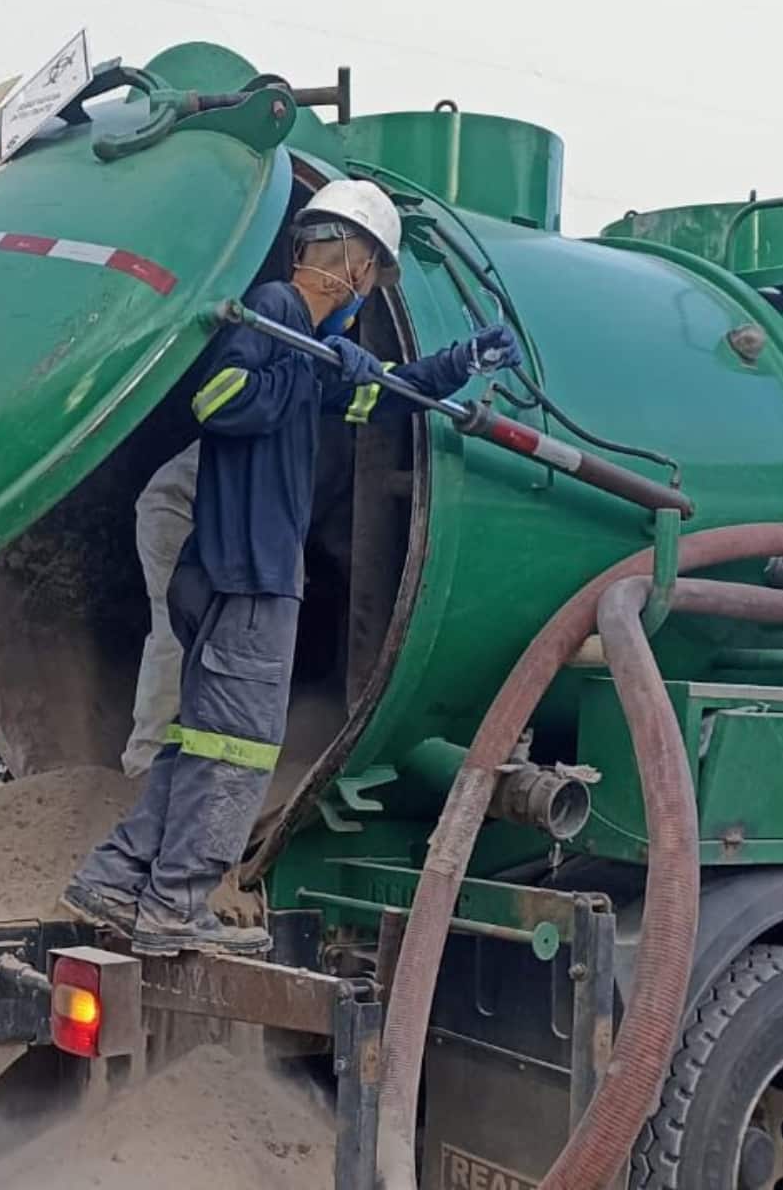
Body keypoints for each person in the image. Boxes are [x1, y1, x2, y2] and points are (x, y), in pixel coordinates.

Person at [64, 179, 521, 956]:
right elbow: (219, 399)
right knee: (239, 746)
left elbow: (382, 397)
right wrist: (301, 369)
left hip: (233, 572)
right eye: (372, 277)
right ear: (352, 263)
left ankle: (114, 877)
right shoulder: (276, 313)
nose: (368, 294)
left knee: (203, 740)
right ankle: (177, 903)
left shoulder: (309, 347)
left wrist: (457, 363)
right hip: (247, 576)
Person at [121, 441, 200, 780]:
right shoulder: (315, 444)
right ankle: (145, 759)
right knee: (175, 631)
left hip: (182, 508)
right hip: (174, 510)